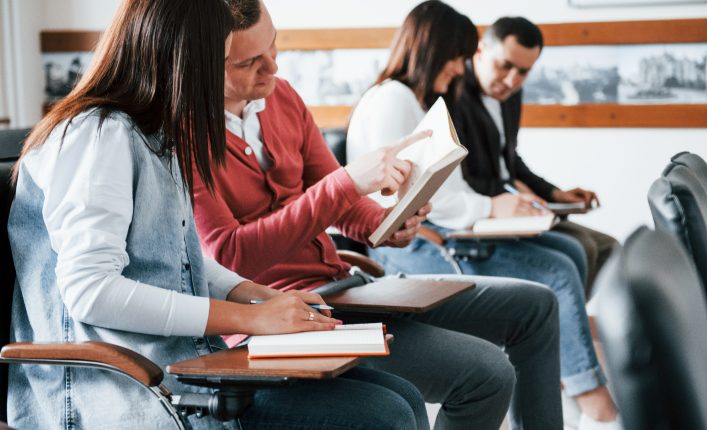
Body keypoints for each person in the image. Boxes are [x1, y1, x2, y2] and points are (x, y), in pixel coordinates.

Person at [7, 1, 428, 429]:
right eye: (220, 62)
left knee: (403, 396)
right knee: (384, 414)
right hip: (123, 386)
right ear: (180, 59)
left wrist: (259, 296)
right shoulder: (97, 136)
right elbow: (91, 291)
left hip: (178, 367)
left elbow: (178, 255)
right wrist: (251, 318)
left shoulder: (152, 133)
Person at [193, 0, 563, 428]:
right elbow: (229, 257)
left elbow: (341, 203)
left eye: (273, 48)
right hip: (285, 312)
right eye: (249, 62)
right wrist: (345, 184)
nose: (272, 69)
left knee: (535, 305)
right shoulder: (186, 132)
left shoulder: (283, 99)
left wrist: (388, 224)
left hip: (345, 286)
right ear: (201, 66)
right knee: (486, 372)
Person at [346, 2, 621, 429]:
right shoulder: (394, 100)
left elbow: (465, 182)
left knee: (569, 257)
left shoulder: (413, 100)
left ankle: (569, 381)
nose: (460, 69)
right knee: (559, 269)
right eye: (458, 57)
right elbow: (401, 200)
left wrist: (519, 201)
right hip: (424, 243)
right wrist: (492, 207)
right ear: (434, 50)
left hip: (448, 227)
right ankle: (588, 395)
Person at [449, 16, 619, 297]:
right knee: (584, 248)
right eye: (504, 65)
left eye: (523, 72)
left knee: (610, 247)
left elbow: (510, 161)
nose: (512, 80)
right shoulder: (452, 94)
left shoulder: (510, 95)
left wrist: (554, 193)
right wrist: (513, 192)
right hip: (481, 212)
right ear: (480, 51)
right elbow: (462, 179)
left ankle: (558, 326)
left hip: (514, 206)